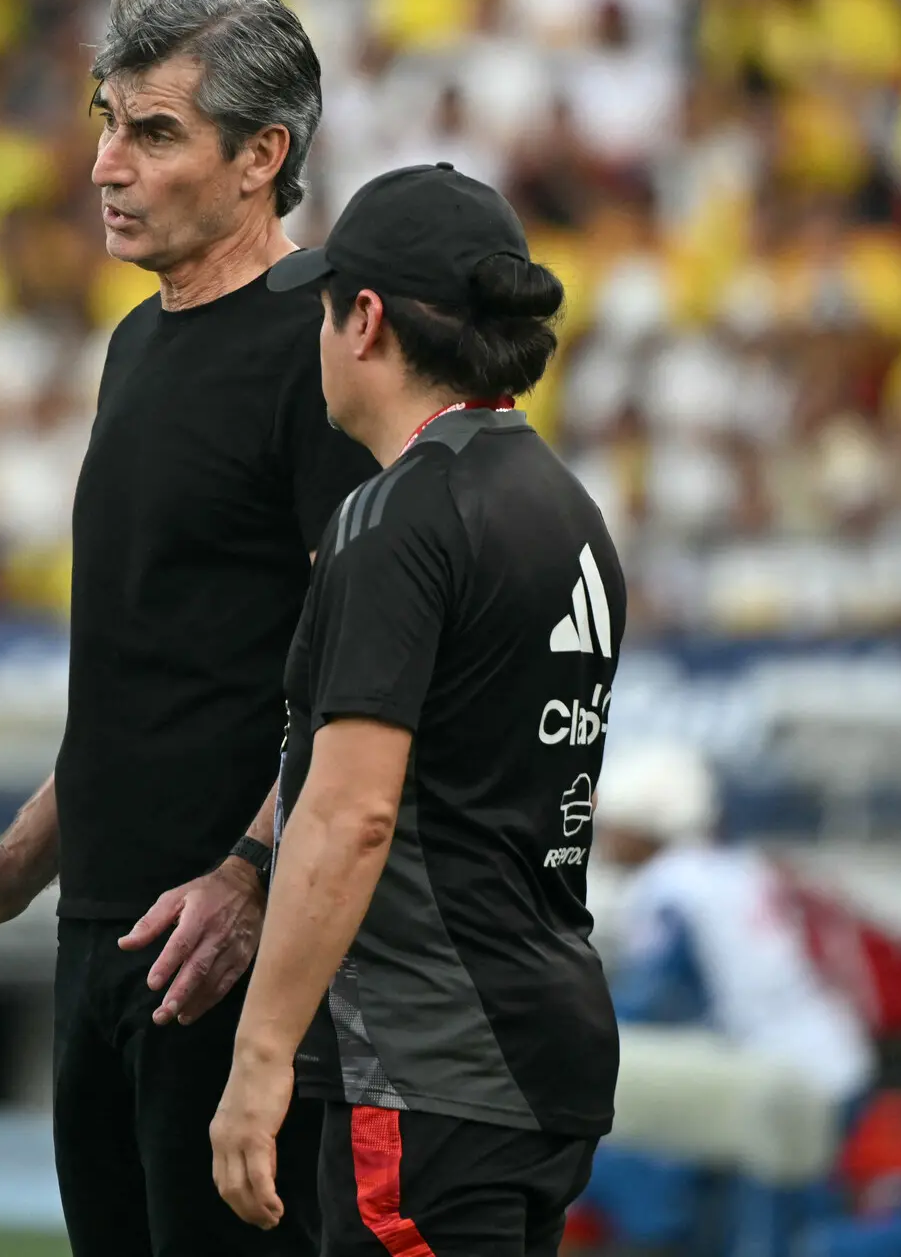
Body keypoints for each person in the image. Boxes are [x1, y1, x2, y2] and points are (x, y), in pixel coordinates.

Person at [0, 0, 377, 1255]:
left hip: (229, 956)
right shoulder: (136, 346)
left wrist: (248, 878)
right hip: (105, 936)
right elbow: (151, 675)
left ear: (261, 157)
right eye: (103, 121)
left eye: (153, 133)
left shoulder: (323, 348)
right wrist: (19, 864)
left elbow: (364, 671)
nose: (103, 165)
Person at [208, 163, 623, 1257]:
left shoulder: (394, 517)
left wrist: (258, 1061)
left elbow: (350, 818)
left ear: (366, 320)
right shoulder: (564, 506)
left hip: (431, 1060)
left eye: (320, 307)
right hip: (539, 1043)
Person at [584, 738, 874, 1257]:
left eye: (617, 821)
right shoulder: (733, 866)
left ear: (646, 824)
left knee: (771, 1242)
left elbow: (654, 999)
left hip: (785, 1080)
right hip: (827, 1060)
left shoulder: (672, 885)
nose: (604, 834)